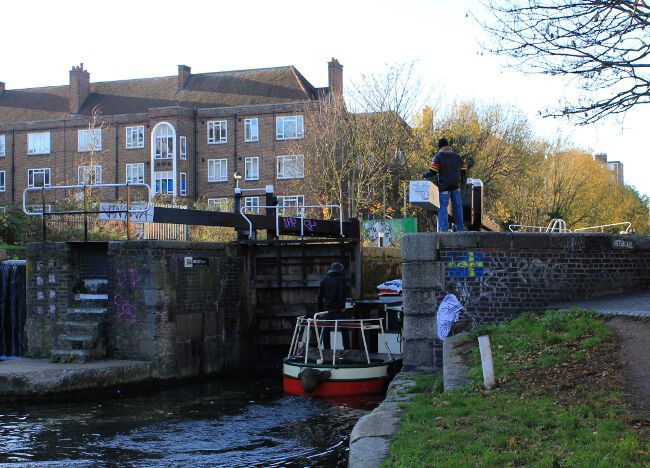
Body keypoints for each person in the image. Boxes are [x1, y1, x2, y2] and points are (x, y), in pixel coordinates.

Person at [423, 138, 468, 232]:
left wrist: (424, 175)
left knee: (443, 207)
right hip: (456, 186)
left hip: (444, 187)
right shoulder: (457, 156)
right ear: (448, 145)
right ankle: (460, 228)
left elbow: (433, 171)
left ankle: (444, 229)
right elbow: (464, 170)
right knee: (458, 207)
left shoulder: (438, 156)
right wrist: (462, 182)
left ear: (440, 146)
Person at [317, 262, 350, 350]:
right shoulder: (342, 279)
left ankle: (327, 350)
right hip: (338, 310)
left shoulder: (324, 280)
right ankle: (346, 350)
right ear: (340, 269)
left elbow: (319, 297)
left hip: (327, 310)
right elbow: (341, 295)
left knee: (326, 330)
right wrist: (342, 307)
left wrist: (320, 311)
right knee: (344, 329)